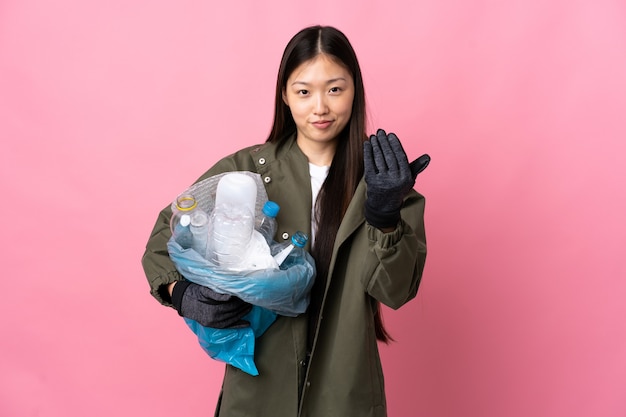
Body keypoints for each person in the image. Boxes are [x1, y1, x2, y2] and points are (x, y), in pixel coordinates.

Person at [142, 25, 429, 417]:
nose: (320, 107)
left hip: (345, 395)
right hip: (258, 391)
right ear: (284, 95)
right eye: (304, 91)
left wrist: (384, 215)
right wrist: (182, 294)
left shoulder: (381, 180)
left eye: (335, 89)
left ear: (355, 90)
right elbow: (167, 234)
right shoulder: (245, 173)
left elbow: (395, 291)